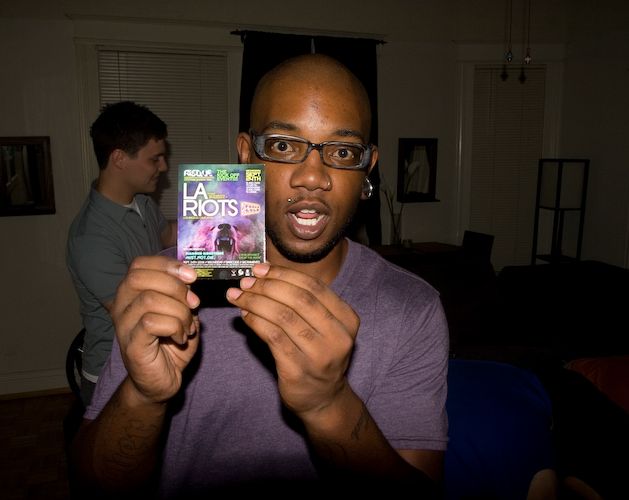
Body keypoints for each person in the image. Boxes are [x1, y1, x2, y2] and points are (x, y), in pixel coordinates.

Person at [69, 54, 449, 498]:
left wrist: (328, 405)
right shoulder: (173, 286)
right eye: (284, 146)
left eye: (343, 152)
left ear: (367, 166)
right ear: (246, 153)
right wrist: (142, 394)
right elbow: (92, 486)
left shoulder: (412, 310)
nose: (312, 177)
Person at [66, 101, 176, 408]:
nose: (163, 167)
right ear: (119, 158)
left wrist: (229, 218)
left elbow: (169, 236)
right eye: (155, 159)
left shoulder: (142, 202)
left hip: (149, 360)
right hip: (112, 373)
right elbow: (135, 314)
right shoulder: (91, 237)